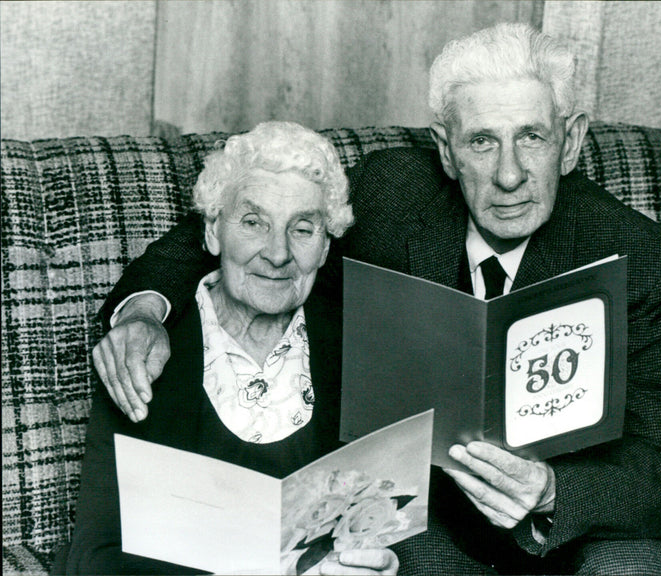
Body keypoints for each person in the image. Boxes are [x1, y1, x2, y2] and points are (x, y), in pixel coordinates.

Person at [89, 24, 661, 575]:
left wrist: (551, 491)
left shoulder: (644, 259)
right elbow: (243, 231)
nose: (509, 175)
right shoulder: (393, 196)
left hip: (600, 533)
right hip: (445, 532)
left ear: (572, 141)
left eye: (532, 137)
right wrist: (145, 308)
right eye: (482, 141)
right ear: (446, 150)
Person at [52, 122, 401, 575]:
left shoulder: (362, 347)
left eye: (302, 229)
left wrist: (376, 564)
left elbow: (387, 518)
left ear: (325, 247)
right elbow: (95, 554)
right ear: (214, 231)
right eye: (253, 223)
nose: (277, 253)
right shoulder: (143, 350)